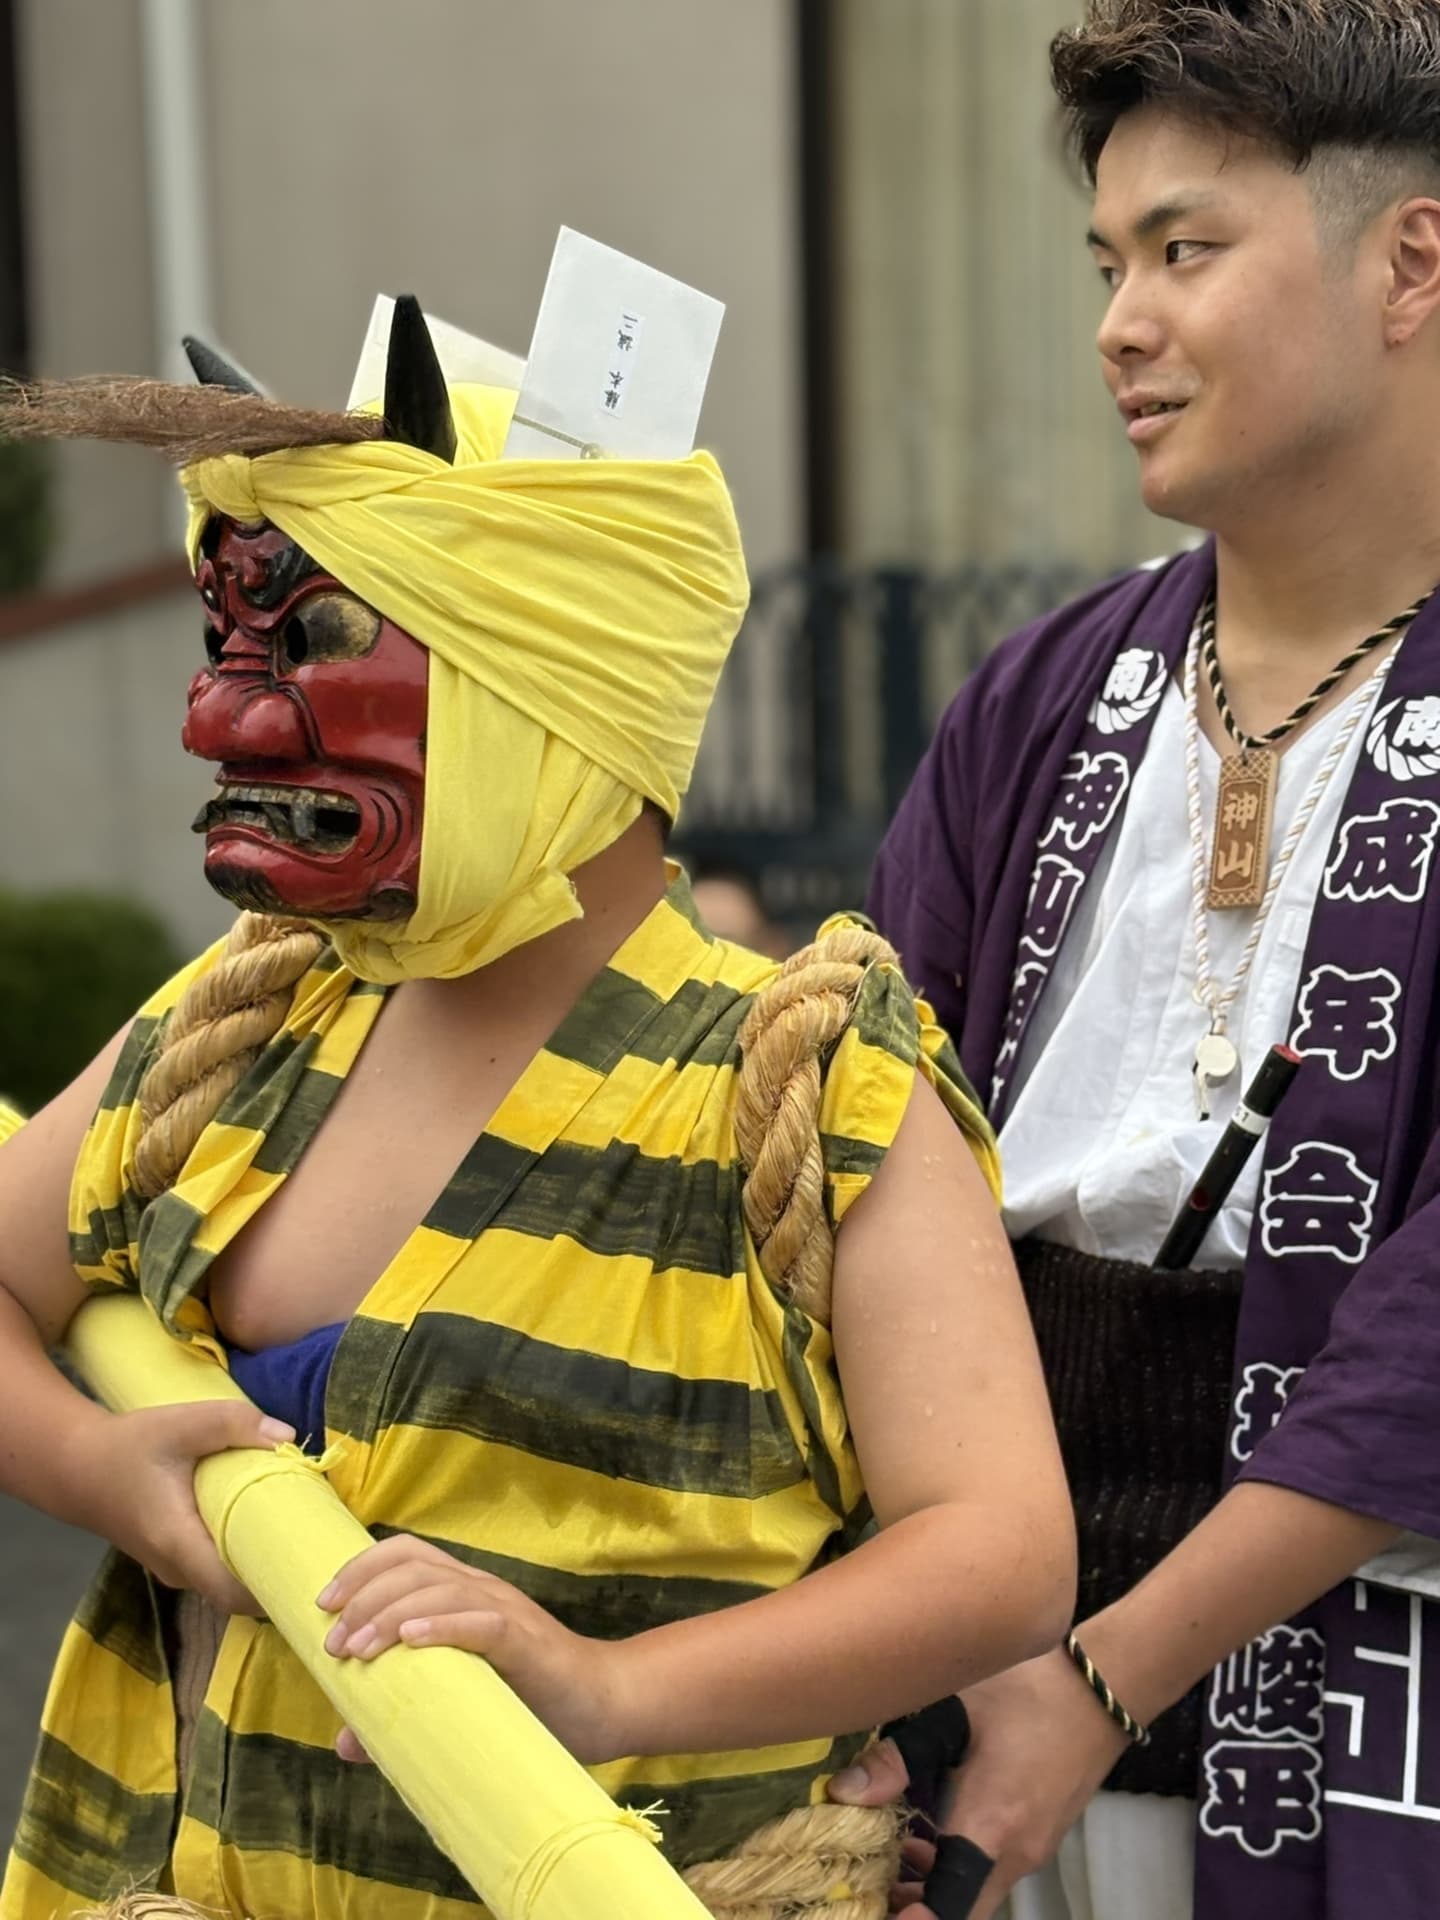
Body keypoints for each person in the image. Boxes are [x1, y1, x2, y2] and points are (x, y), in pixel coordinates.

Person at [0, 298, 1073, 1920]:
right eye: (226, 650)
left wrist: (608, 1686)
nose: (222, 721)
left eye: (317, 642)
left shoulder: (808, 1080)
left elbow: (1000, 1554)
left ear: (549, 675)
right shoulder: (252, 1014)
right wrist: (103, 1472)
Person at [828, 3, 1440, 1916]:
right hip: (978, 1654)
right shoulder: (1040, 695)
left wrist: (1109, 1675)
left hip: (1357, 1682)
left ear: (1411, 263)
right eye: (1108, 265)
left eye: (1186, 250)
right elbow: (858, 1129)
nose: (1120, 323)